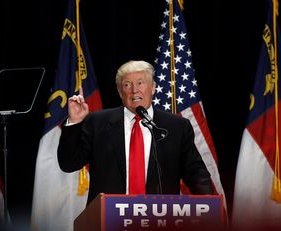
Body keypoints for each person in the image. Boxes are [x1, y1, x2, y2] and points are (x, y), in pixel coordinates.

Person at [58, 60, 214, 204]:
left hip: (160, 218)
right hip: (108, 220)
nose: (134, 90)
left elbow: (195, 173)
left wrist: (208, 204)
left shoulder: (176, 126)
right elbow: (69, 163)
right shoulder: (97, 122)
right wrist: (75, 123)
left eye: (140, 83)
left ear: (152, 88)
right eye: (127, 85)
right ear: (120, 92)